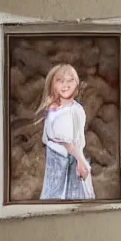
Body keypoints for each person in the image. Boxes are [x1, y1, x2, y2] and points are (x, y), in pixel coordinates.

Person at [35, 63, 95, 201]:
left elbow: (76, 140)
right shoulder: (53, 110)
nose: (65, 85)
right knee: (54, 195)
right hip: (57, 162)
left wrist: (80, 160)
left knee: (74, 195)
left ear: (77, 84)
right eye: (60, 81)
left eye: (70, 80)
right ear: (53, 84)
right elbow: (53, 139)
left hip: (72, 159)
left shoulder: (76, 109)